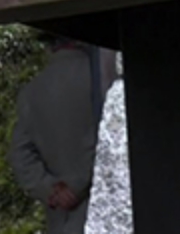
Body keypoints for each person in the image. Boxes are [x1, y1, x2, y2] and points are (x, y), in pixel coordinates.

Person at [8, 30, 117, 234]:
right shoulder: (103, 77)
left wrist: (52, 189)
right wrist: (78, 185)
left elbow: (20, 154)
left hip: (62, 219)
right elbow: (110, 140)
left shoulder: (31, 91)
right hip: (104, 209)